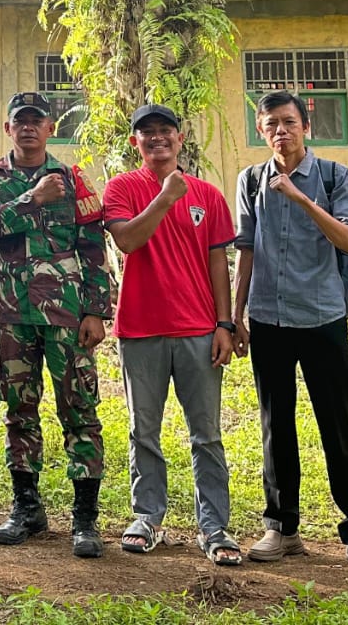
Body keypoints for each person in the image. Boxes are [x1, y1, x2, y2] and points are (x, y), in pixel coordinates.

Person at [232, 91, 348, 575]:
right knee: (276, 425)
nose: (281, 131)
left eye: (289, 122)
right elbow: (247, 251)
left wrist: (300, 198)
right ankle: (281, 527)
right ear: (262, 131)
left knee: (338, 425)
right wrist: (236, 317)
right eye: (272, 124)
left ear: (306, 126)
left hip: (322, 318)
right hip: (269, 319)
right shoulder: (250, 179)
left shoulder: (334, 176)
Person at [0, 92, 112, 558]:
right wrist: (33, 198)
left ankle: (85, 519)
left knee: (80, 411)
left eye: (37, 120)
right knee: (19, 409)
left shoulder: (74, 179)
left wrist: (96, 310)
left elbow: (93, 248)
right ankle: (26, 508)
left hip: (68, 315)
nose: (28, 128)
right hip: (13, 313)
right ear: (7, 128)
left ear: (50, 128)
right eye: (20, 121)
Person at [102, 104, 242, 566]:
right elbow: (127, 241)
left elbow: (218, 263)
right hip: (140, 329)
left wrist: (225, 324)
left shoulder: (209, 196)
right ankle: (147, 516)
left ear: (180, 139)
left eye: (166, 132)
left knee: (206, 434)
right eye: (147, 134)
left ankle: (214, 526)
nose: (157, 139)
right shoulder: (122, 188)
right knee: (144, 431)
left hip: (200, 330)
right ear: (134, 143)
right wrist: (164, 198)